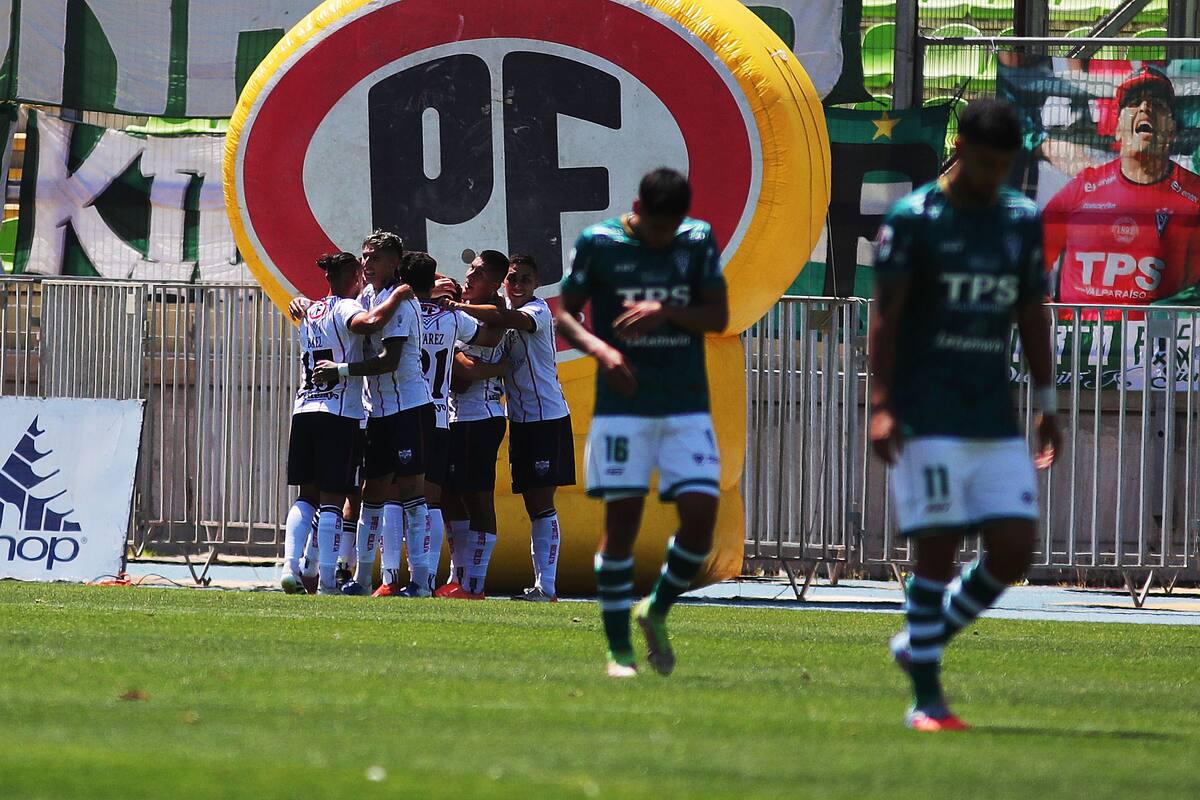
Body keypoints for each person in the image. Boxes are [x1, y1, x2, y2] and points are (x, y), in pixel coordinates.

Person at [869, 98, 1061, 731]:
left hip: (992, 411)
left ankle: (919, 639)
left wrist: (1047, 401)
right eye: (983, 162)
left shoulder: (1019, 219)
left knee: (1014, 550)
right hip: (927, 412)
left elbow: (1031, 310)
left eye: (1003, 165)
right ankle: (926, 698)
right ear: (960, 151)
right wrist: (882, 402)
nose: (992, 176)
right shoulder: (915, 219)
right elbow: (886, 315)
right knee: (938, 547)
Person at [554, 168, 728, 677]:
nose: (661, 239)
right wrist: (601, 349)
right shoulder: (599, 242)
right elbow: (566, 313)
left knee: (701, 521)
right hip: (623, 408)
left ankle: (655, 608)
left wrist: (667, 309)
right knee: (622, 524)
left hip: (685, 404)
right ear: (637, 208)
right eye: (654, 229)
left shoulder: (696, 240)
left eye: (668, 231)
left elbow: (716, 316)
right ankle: (618, 652)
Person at [440, 254, 574, 602]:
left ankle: (546, 587)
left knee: (540, 504)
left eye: (525, 279)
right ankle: (467, 580)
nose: (518, 285)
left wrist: (456, 306)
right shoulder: (488, 311)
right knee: (460, 497)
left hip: (546, 418)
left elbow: (501, 322)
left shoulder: (536, 312)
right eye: (513, 278)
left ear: (536, 284)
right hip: (520, 419)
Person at [281, 251, 409, 595]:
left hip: (304, 409)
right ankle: (325, 582)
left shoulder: (311, 310)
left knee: (305, 496)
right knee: (333, 499)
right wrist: (397, 296)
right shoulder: (344, 306)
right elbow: (367, 324)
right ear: (354, 273)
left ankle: (289, 565)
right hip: (338, 413)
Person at [1043, 65, 1200, 311]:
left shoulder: (1195, 196)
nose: (1145, 108)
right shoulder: (1082, 189)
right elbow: (1029, 256)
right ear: (1117, 130)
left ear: (1171, 131)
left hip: (1158, 347)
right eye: (1134, 102)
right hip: (1080, 347)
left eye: (1157, 104)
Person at [404, 252, 484, 597]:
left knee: (398, 498)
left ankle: (403, 576)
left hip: (403, 412)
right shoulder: (452, 318)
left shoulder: (400, 313)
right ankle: (425, 580)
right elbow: (482, 336)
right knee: (431, 500)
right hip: (439, 415)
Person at [439, 251, 512, 598]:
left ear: (495, 283)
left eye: (479, 273)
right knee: (451, 497)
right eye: (470, 268)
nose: (469, 275)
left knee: (478, 498)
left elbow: (464, 375)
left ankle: (475, 585)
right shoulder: (459, 305)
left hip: (480, 417)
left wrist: (457, 359)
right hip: (454, 417)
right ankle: (460, 577)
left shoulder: (494, 315)